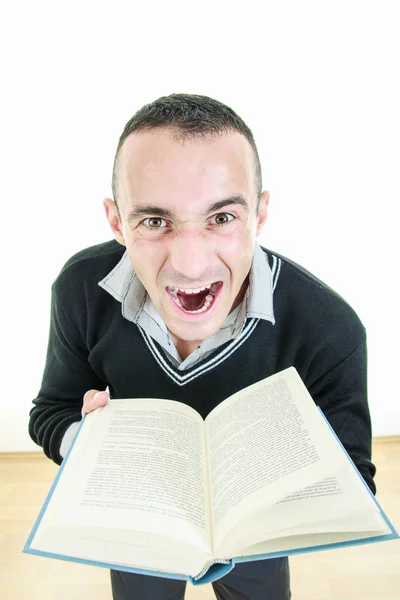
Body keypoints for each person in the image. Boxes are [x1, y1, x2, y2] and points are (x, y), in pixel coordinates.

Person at [29, 93, 376, 600]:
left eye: (221, 218)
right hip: (139, 530)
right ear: (116, 221)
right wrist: (87, 444)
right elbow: (52, 412)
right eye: (153, 221)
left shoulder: (331, 329)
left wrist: (286, 478)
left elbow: (355, 478)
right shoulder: (80, 290)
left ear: (259, 215)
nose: (190, 265)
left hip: (256, 540)